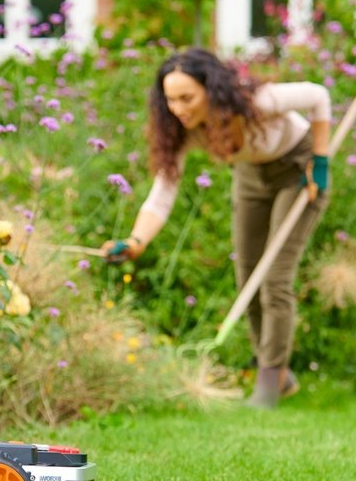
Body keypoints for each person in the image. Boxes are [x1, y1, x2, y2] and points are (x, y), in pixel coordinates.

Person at [102, 47, 331, 409]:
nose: (178, 108)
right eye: (171, 99)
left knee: (275, 278)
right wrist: (136, 240)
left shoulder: (257, 101)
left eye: (187, 98)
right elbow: (162, 194)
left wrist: (320, 159)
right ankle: (280, 376)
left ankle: (268, 384)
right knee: (248, 277)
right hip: (251, 176)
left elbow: (318, 95)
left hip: (298, 170)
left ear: (211, 89)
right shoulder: (183, 130)